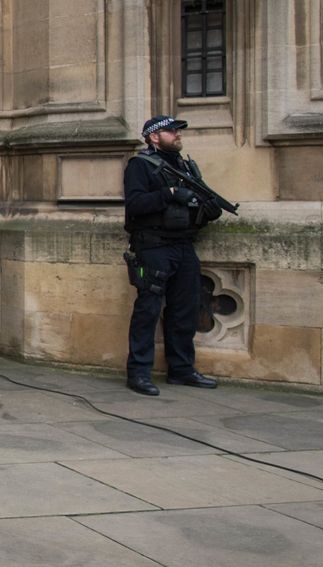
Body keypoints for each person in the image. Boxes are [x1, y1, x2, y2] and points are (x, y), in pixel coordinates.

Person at [123, 115, 221, 396]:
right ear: (154, 137)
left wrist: (207, 206)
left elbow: (196, 200)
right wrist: (169, 193)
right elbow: (135, 204)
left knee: (185, 309)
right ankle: (139, 372)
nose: (177, 135)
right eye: (171, 131)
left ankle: (181, 369)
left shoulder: (183, 165)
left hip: (183, 245)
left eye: (177, 132)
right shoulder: (140, 165)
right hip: (153, 246)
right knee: (148, 309)